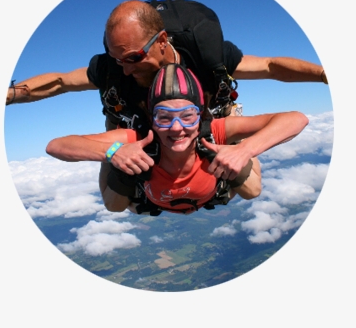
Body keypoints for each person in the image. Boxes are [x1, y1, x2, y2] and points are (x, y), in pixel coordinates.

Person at [46, 64, 309, 215]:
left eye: (187, 116)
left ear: (200, 115)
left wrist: (244, 150)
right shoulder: (139, 138)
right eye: (164, 117)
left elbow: (297, 118)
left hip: (211, 190)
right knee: (114, 205)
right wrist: (114, 152)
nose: (177, 128)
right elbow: (56, 145)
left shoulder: (215, 130)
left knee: (252, 190)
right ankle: (115, 156)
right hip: (151, 199)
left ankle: (236, 146)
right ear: (151, 119)